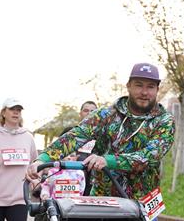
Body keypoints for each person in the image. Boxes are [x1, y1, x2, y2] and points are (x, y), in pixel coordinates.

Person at [25, 63, 174, 203]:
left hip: (144, 200)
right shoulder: (106, 114)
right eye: (139, 85)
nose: (144, 92)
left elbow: (150, 156)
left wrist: (107, 161)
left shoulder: (164, 121)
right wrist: (42, 160)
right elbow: (75, 136)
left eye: (150, 87)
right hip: (103, 197)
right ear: (128, 86)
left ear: (157, 89)